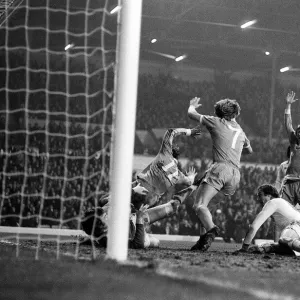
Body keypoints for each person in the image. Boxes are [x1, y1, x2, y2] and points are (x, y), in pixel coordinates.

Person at [186, 97, 253, 251]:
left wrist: (192, 105)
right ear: (236, 113)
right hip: (235, 174)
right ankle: (203, 241)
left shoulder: (217, 122)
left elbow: (191, 114)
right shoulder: (241, 131)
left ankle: (211, 230)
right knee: (205, 208)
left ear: (219, 113)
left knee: (198, 204)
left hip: (220, 168)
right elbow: (249, 150)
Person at [133, 126, 201, 209]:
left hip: (140, 187)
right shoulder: (177, 175)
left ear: (170, 150)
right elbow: (189, 182)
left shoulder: (165, 153)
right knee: (137, 216)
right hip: (150, 200)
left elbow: (171, 131)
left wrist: (189, 131)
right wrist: (192, 176)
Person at [81, 199, 180, 249]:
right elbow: (138, 243)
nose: (107, 215)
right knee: (155, 242)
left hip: (131, 220)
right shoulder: (110, 239)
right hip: (137, 232)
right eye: (105, 216)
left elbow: (107, 201)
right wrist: (140, 218)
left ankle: (193, 186)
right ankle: (148, 236)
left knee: (172, 206)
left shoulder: (104, 218)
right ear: (102, 227)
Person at [238, 184, 300, 256]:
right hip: (295, 231)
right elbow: (277, 230)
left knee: (283, 240)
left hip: (296, 227)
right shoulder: (280, 204)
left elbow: (253, 227)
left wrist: (244, 247)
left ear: (269, 196)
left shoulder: (272, 202)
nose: (258, 198)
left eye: (260, 195)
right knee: (279, 244)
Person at [280, 91, 300, 206]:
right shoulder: (294, 141)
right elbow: (288, 124)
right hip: (290, 181)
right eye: (298, 131)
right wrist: (288, 105)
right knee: (284, 213)